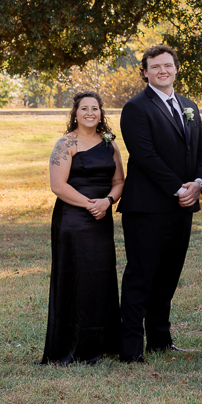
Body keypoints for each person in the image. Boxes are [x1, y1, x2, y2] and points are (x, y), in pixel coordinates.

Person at [117, 45, 202, 362]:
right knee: (141, 276)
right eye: (155, 67)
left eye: (167, 65)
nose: (162, 71)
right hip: (147, 208)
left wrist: (198, 184)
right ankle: (130, 349)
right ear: (145, 72)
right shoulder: (135, 108)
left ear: (176, 68)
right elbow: (145, 157)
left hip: (182, 207)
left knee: (168, 276)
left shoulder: (189, 106)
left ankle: (160, 339)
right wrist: (178, 189)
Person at [42, 92, 124, 364]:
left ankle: (102, 342)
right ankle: (72, 344)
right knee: (76, 276)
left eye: (95, 108)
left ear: (101, 113)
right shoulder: (66, 144)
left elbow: (119, 180)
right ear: (75, 113)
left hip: (102, 218)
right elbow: (58, 185)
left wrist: (108, 201)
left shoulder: (110, 144)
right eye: (84, 108)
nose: (91, 113)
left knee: (100, 277)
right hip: (74, 220)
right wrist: (90, 204)